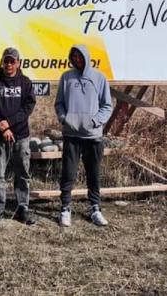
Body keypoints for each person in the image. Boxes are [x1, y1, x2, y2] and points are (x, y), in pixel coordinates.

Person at [55, 44, 113, 227]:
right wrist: (65, 119)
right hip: (71, 135)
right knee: (68, 173)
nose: (77, 59)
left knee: (93, 174)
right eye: (74, 56)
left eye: (80, 56)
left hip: (93, 137)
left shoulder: (99, 78)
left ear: (86, 57)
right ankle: (65, 208)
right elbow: (59, 104)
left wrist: (96, 122)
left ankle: (95, 208)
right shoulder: (66, 77)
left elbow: (107, 105)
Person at [0, 47, 37, 227]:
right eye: (6, 61)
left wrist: (10, 123)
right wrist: (1, 126)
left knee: (23, 172)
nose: (9, 64)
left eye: (12, 61)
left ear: (18, 63)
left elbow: (29, 106)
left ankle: (22, 208)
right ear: (2, 62)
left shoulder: (25, 82)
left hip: (21, 136)